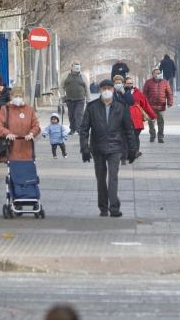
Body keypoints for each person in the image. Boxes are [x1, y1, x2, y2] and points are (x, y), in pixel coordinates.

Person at [79, 79, 137, 217]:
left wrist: (132, 149)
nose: (106, 91)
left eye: (109, 88)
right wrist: (84, 148)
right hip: (97, 147)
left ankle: (114, 207)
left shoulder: (121, 106)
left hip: (115, 147)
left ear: (113, 90)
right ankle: (103, 207)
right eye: (103, 88)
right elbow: (84, 129)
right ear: (100, 90)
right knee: (100, 178)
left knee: (113, 177)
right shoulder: (92, 107)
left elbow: (129, 129)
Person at [0, 87, 41, 161]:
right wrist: (7, 133)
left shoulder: (29, 110)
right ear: (11, 96)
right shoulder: (5, 109)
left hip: (27, 149)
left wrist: (32, 133)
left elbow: (36, 125)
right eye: (16, 96)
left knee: (28, 170)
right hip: (11, 148)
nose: (18, 98)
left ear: (23, 97)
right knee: (14, 170)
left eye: (20, 96)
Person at [124, 75, 156, 155]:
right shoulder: (121, 93)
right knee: (128, 136)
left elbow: (146, 105)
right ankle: (129, 151)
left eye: (131, 83)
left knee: (135, 136)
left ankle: (136, 151)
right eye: (128, 83)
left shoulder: (138, 93)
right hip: (125, 118)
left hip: (137, 119)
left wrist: (153, 116)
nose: (130, 85)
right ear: (124, 84)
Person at [142, 67, 174, 143]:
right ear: (153, 74)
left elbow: (169, 93)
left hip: (161, 106)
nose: (158, 74)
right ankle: (152, 135)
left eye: (159, 73)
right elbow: (144, 94)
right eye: (156, 73)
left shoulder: (165, 82)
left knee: (161, 122)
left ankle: (160, 137)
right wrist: (144, 104)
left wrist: (170, 102)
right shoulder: (148, 82)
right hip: (150, 106)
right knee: (151, 122)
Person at [63, 62, 89, 135]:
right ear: (71, 67)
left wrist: (88, 99)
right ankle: (72, 129)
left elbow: (87, 88)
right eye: (75, 67)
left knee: (78, 114)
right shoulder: (66, 75)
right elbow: (61, 86)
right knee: (71, 115)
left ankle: (79, 129)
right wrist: (62, 96)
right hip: (69, 99)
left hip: (80, 99)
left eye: (78, 67)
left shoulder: (83, 76)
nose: (77, 69)